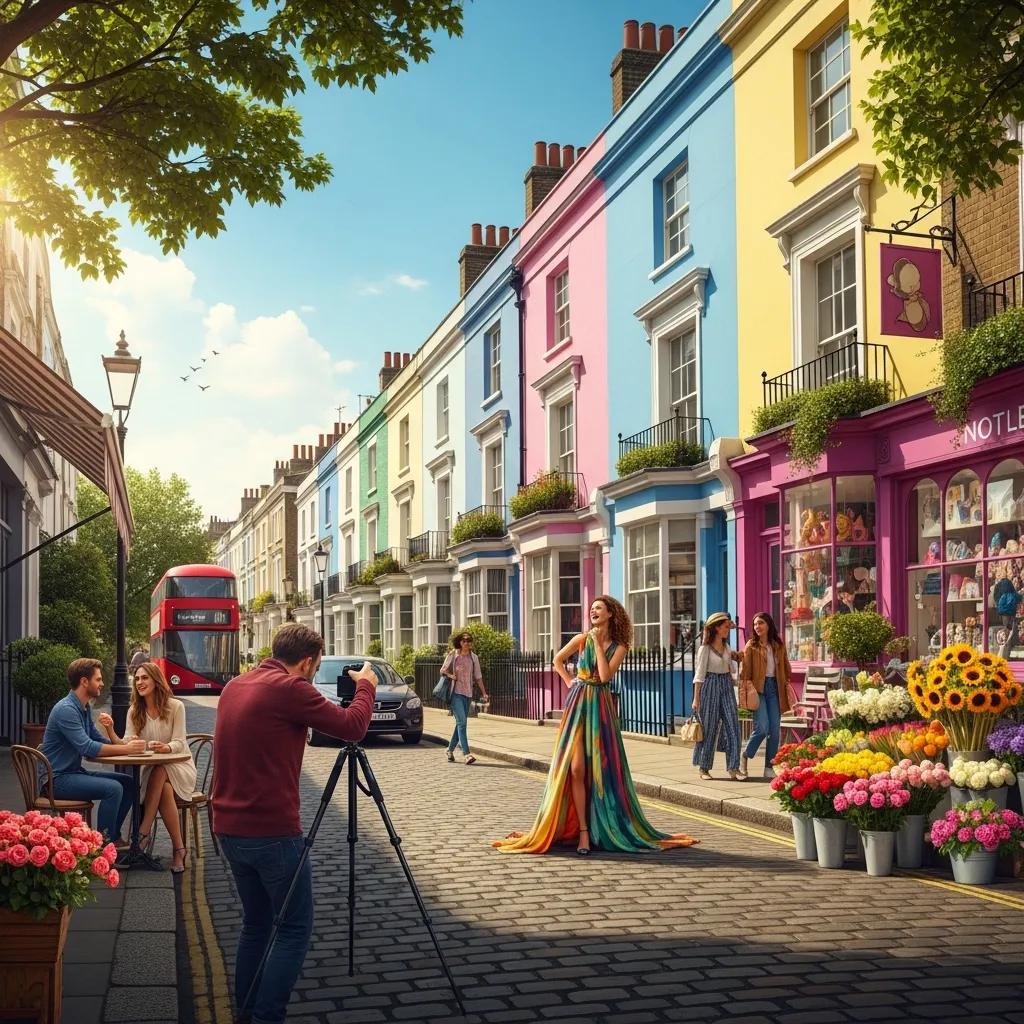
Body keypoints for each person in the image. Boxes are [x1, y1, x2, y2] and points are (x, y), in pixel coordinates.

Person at [212, 623, 377, 1024]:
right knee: (294, 928)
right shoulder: (290, 688)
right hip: (271, 832)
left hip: (227, 828)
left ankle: (246, 1012)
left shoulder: (235, 685)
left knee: (256, 924)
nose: (314, 673)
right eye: (316, 666)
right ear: (306, 662)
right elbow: (352, 726)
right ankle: (267, 1017)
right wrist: (366, 686)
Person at [493, 596, 697, 856]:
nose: (593, 611)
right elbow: (557, 660)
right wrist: (570, 681)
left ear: (610, 613)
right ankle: (583, 831)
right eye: (591, 608)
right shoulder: (581, 640)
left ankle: (600, 827)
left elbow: (604, 675)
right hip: (577, 706)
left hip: (600, 709)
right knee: (576, 769)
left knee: (601, 771)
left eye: (598, 608)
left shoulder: (620, 647)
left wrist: (599, 644)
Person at [98, 662, 197, 872]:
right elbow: (125, 743)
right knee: (164, 786)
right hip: (153, 774)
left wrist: (166, 747)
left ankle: (142, 834)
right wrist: (111, 730)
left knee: (161, 769)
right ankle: (179, 850)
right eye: (137, 679)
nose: (140, 682)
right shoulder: (135, 710)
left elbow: (180, 742)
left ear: (156, 680)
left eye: (145, 678)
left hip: (180, 767)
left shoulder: (175, 706)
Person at [40, 657, 147, 842]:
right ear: (84, 681)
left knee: (129, 784)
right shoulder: (66, 709)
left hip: (73, 772)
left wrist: (123, 744)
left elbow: (96, 739)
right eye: (98, 679)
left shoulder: (83, 707)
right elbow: (87, 747)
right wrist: (127, 749)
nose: (102, 684)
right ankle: (103, 844)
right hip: (56, 780)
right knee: (113, 789)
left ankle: (113, 838)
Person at [691, 612, 746, 781]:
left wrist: (731, 625)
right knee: (709, 728)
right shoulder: (705, 649)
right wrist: (696, 698)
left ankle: (733, 767)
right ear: (716, 628)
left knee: (733, 726)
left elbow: (732, 668)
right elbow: (699, 675)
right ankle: (704, 768)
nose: (728, 629)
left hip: (726, 684)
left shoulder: (727, 647)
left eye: (728, 626)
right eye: (725, 626)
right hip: (710, 685)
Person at [739, 612, 793, 778]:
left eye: (761, 623)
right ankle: (745, 755)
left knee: (775, 730)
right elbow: (745, 672)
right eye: (755, 624)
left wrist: (785, 681)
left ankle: (769, 767)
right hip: (758, 689)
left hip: (775, 689)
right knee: (762, 728)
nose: (757, 627)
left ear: (769, 625)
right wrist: (746, 692)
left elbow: (786, 667)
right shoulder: (751, 646)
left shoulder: (778, 645)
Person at [440, 631, 490, 764]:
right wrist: (451, 676)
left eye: (469, 641)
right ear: (460, 642)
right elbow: (442, 670)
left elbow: (478, 677)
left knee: (460, 723)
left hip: (468, 694)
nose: (467, 643)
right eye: (464, 640)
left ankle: (449, 750)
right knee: (462, 723)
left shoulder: (474, 658)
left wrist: (484, 692)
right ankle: (467, 754)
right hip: (455, 693)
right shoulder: (453, 654)